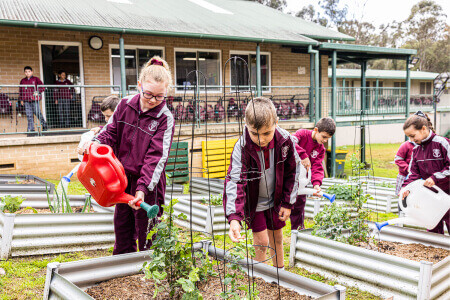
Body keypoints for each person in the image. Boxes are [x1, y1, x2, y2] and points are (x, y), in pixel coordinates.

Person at [83, 56, 174, 254]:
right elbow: (110, 133)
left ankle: (152, 272)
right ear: (139, 85)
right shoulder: (124, 105)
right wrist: (93, 144)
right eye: (148, 94)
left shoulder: (164, 118)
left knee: (148, 231)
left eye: (159, 97)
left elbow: (156, 159)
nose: (152, 101)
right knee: (123, 226)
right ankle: (123, 269)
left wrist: (142, 189)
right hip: (121, 179)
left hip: (149, 184)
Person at [223, 97, 301, 269]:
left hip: (277, 200)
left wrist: (287, 203)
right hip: (255, 203)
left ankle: (279, 275)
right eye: (254, 133)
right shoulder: (242, 147)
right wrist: (234, 218)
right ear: (246, 125)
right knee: (261, 242)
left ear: (276, 123)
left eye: (266, 133)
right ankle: (260, 279)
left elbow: (293, 172)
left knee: (277, 239)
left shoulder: (285, 141)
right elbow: (235, 181)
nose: (261, 139)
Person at [402, 111, 449, 235]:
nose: (411, 140)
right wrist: (406, 189)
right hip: (429, 198)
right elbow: (413, 174)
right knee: (433, 231)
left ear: (423, 129)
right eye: (409, 137)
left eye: (413, 136)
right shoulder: (416, 150)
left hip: (448, 196)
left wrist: (435, 178)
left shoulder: (442, 143)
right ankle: (438, 254)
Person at [290, 117, 336, 231]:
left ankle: (298, 232)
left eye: (328, 138)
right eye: (324, 137)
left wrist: (316, 184)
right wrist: (303, 155)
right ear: (316, 130)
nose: (325, 140)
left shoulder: (320, 149)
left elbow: (317, 166)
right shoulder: (302, 134)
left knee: (300, 204)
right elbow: (290, 142)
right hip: (287, 176)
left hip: (301, 181)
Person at [19, 66, 47, 133]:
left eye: (29, 71)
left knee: (38, 113)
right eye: (26, 72)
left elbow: (42, 87)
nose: (27, 73)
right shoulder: (22, 81)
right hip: (26, 100)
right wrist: (21, 99)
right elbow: (20, 91)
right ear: (24, 73)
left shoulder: (36, 79)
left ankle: (44, 125)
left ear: (32, 72)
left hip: (34, 100)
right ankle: (31, 129)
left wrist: (38, 92)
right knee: (29, 115)